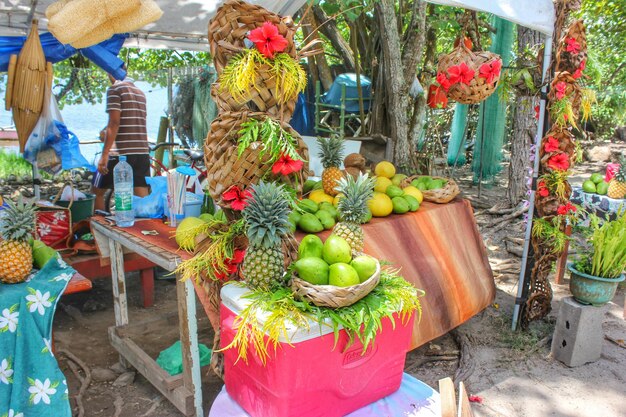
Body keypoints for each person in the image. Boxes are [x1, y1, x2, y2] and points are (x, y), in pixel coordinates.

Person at [92, 69, 150, 211]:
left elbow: (115, 123)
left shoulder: (115, 89)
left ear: (111, 72)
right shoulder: (140, 93)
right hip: (141, 151)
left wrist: (104, 154)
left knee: (97, 192)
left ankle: (97, 228)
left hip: (120, 153)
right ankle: (145, 230)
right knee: (141, 195)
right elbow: (128, 121)